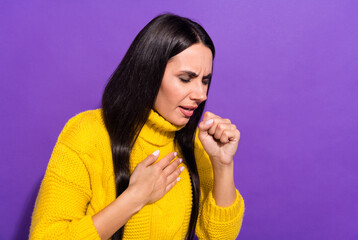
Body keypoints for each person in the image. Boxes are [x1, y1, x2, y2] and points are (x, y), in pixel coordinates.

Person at [29, 13, 245, 240]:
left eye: (205, 80)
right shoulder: (87, 132)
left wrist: (223, 165)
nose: (201, 94)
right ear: (148, 72)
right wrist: (134, 198)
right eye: (185, 78)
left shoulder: (194, 144)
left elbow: (218, 236)